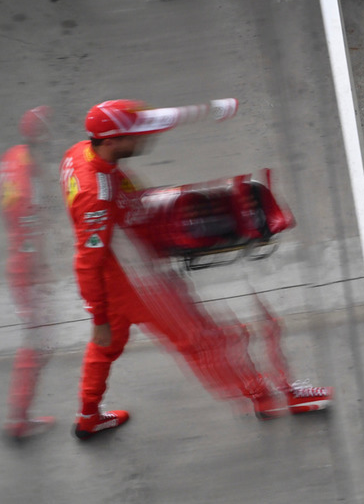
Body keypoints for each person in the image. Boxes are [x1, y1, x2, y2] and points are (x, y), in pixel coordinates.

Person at [60, 99, 331, 440]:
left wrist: (210, 110)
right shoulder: (95, 195)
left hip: (120, 274)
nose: (144, 139)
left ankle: (88, 416)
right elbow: (87, 260)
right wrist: (98, 316)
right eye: (135, 136)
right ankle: (267, 398)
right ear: (112, 141)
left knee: (106, 347)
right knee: (205, 340)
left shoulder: (80, 152)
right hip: (135, 282)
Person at [0, 106, 56, 439]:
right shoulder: (28, 178)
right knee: (39, 343)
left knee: (39, 339)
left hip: (18, 262)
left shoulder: (13, 158)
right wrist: (39, 268)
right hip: (26, 268)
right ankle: (19, 418)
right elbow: (27, 230)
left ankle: (21, 415)